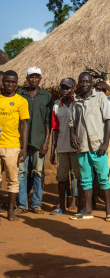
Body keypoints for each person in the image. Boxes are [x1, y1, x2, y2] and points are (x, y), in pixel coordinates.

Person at [69, 72, 110, 220]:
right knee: (85, 178)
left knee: (103, 178)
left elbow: (109, 120)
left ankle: (108, 211)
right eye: (81, 81)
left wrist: (105, 143)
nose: (84, 84)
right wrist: (73, 135)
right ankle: (88, 210)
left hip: (98, 146)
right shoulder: (76, 101)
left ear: (91, 83)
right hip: (82, 147)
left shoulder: (100, 97)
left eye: (87, 82)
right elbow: (72, 123)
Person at [16, 67, 54, 214]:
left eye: (36, 77)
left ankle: (37, 204)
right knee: (21, 172)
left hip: (39, 141)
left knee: (38, 172)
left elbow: (48, 121)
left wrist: (46, 141)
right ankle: (22, 205)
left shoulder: (47, 96)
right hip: (21, 142)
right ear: (27, 78)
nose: (34, 79)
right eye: (31, 77)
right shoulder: (20, 95)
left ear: (40, 78)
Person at [0, 70, 29, 221]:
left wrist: (23, 148)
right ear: (2, 81)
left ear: (17, 83)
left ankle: (11, 211)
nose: (9, 84)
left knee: (12, 180)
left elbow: (24, 124)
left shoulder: (21, 101)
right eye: (7, 81)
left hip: (12, 146)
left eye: (13, 82)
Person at [50, 78, 81, 214]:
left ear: (74, 88)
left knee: (77, 177)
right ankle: (62, 205)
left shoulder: (80, 103)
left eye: (67, 87)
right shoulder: (56, 106)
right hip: (62, 147)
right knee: (61, 178)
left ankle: (77, 204)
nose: (64, 90)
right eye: (62, 87)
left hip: (77, 148)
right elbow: (55, 129)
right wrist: (52, 149)